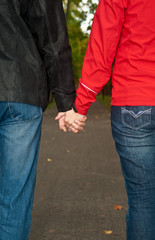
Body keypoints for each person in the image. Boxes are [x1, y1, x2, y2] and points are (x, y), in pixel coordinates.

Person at [63, 0, 155, 239]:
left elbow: (102, 46)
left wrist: (80, 106)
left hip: (135, 101)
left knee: (144, 200)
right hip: (137, 98)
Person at [0, 0, 86, 239]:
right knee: (14, 199)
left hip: (21, 92)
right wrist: (67, 102)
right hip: (21, 89)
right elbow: (52, 33)